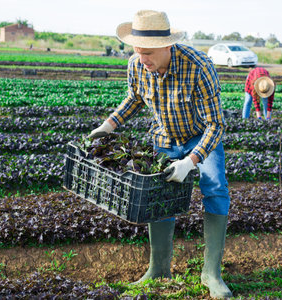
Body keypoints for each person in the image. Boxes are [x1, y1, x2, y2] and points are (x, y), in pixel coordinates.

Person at [88, 10, 232, 299]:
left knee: (215, 188)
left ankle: (211, 273)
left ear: (168, 46)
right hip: (164, 137)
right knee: (160, 195)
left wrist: (191, 162)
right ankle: (159, 268)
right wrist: (108, 125)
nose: (143, 59)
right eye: (138, 52)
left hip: (200, 136)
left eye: (149, 53)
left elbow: (216, 125)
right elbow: (134, 98)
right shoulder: (136, 65)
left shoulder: (198, 66)